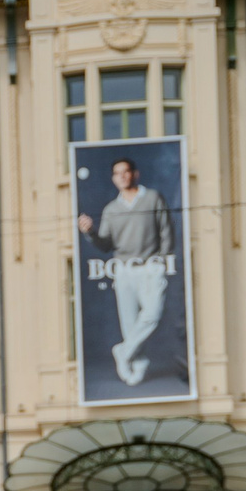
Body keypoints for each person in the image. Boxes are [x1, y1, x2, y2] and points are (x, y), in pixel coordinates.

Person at [76, 156, 175, 386]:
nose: (122, 176)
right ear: (113, 178)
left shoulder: (152, 198)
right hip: (124, 271)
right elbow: (106, 245)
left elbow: (166, 230)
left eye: (126, 171)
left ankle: (123, 352)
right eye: (117, 173)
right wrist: (90, 232)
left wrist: (162, 259)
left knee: (152, 314)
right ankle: (137, 363)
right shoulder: (111, 209)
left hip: (150, 266)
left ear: (134, 174)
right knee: (129, 324)